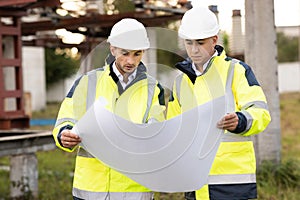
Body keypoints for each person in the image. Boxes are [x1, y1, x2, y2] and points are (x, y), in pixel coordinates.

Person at [52, 18, 165, 200]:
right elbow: (66, 119)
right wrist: (64, 134)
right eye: (125, 53)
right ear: (112, 49)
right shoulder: (87, 83)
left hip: (133, 191)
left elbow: (157, 128)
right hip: (91, 190)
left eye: (137, 54)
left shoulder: (153, 89)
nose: (130, 61)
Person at [167, 6, 271, 200]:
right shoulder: (180, 82)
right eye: (189, 43)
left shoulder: (236, 71)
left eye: (200, 42)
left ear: (214, 40)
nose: (194, 49)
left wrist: (240, 121)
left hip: (233, 184)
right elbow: (174, 128)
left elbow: (261, 112)